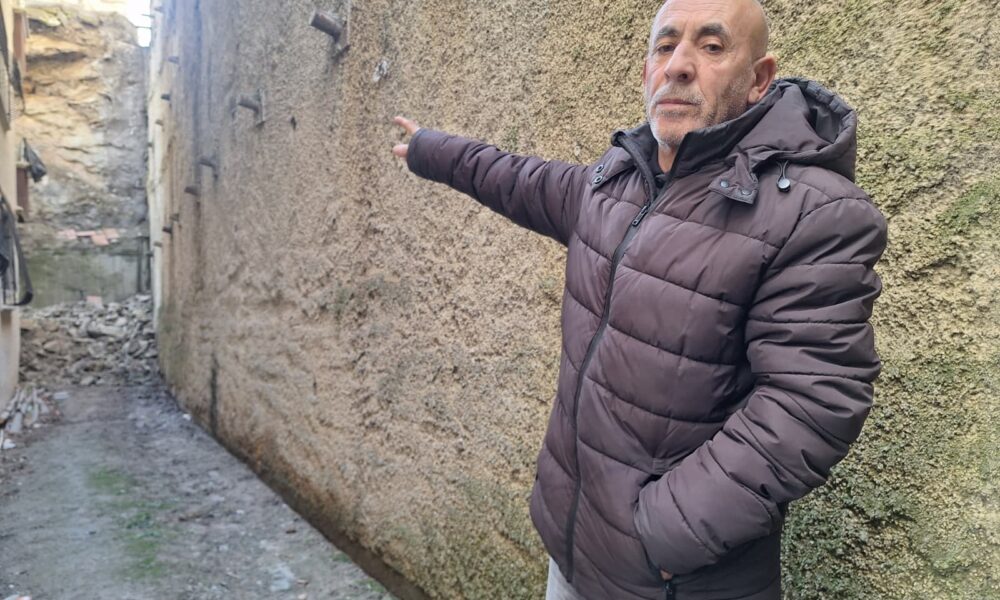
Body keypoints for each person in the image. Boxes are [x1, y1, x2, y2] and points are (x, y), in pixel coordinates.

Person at [391, 0, 887, 598]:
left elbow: (811, 402)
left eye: (711, 46)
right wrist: (430, 150)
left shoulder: (815, 212)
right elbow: (520, 179)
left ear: (759, 79)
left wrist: (660, 536)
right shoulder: (621, 179)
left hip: (670, 579)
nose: (678, 65)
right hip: (574, 548)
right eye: (665, 46)